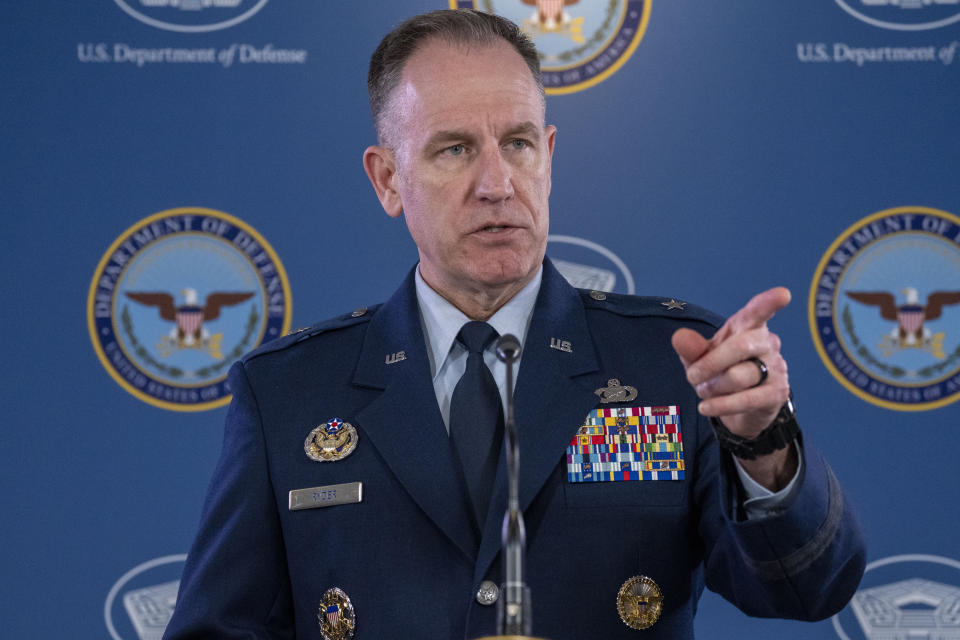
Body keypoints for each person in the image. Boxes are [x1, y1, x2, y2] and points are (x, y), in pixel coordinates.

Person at [163, 10, 865, 639]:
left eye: (520, 144)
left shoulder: (674, 364)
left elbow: (810, 589)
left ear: (550, 158)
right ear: (387, 179)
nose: (497, 183)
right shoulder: (289, 394)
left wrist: (764, 448)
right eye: (455, 149)